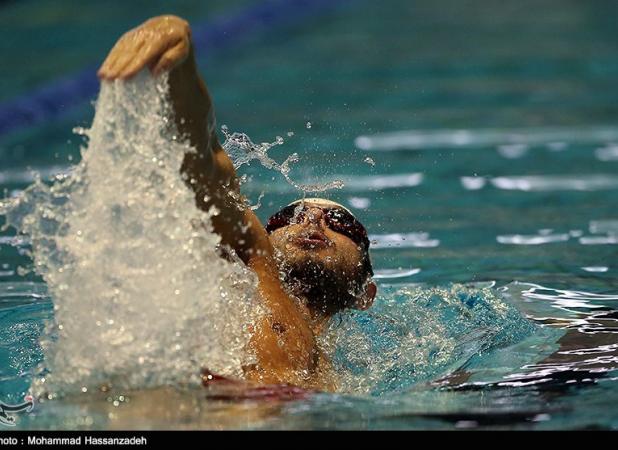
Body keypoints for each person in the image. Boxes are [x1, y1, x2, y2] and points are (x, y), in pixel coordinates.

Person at [98, 15, 377, 390]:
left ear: (365, 293)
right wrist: (180, 57)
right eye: (289, 216)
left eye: (341, 223)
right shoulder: (254, 268)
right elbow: (206, 162)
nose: (311, 219)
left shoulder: (346, 384)